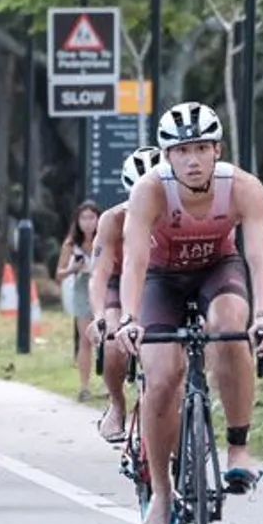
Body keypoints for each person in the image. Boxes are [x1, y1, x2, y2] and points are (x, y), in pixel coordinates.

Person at [114, 103, 263, 524]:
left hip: (217, 270)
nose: (192, 159)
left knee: (230, 327)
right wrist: (128, 318)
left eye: (201, 148)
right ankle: (163, 494)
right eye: (182, 150)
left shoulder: (243, 187)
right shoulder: (149, 191)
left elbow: (260, 258)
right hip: (160, 280)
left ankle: (239, 448)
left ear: (216, 150)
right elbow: (133, 262)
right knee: (163, 375)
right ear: (167, 156)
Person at [86, 148, 164, 444]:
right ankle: (117, 404)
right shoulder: (113, 220)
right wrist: (97, 316)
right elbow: (100, 274)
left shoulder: (182, 213)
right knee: (113, 340)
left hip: (159, 280)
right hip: (120, 282)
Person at [58, 202, 100, 402]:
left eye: (92, 217)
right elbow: (59, 274)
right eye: (84, 218)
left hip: (104, 287)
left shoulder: (105, 240)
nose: (88, 223)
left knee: (107, 339)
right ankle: (84, 386)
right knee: (85, 339)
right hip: (82, 288)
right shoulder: (71, 244)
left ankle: (110, 384)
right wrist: (73, 268)